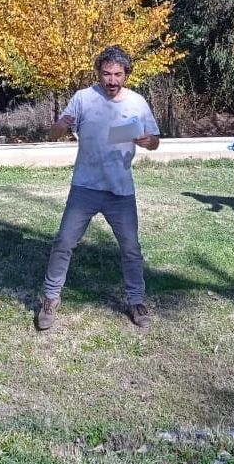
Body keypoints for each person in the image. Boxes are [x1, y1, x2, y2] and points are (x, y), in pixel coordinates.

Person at [36, 46, 160, 330]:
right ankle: (51, 298)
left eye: (118, 74)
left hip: (120, 191)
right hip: (85, 187)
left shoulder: (138, 103)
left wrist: (147, 142)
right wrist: (62, 125)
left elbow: (155, 141)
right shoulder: (83, 98)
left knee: (131, 248)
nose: (112, 80)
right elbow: (54, 133)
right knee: (64, 243)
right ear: (98, 73)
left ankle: (136, 300)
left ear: (126, 74)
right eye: (106, 74)